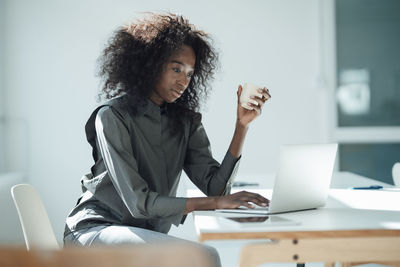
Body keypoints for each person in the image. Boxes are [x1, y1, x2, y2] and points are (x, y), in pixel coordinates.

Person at [64, 13, 271, 266]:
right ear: (150, 64)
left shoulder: (184, 121)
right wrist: (215, 202)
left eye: (190, 73)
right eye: (176, 69)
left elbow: (215, 189)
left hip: (144, 235)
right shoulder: (112, 116)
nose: (184, 80)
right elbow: (138, 203)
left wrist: (241, 127)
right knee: (203, 256)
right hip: (96, 231)